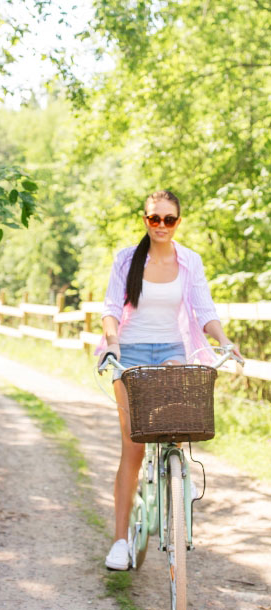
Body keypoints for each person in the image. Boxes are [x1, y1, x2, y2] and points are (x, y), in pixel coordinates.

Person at [96, 190, 242, 571]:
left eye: (169, 219)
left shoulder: (190, 261)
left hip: (172, 348)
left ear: (178, 221)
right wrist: (113, 345)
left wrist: (224, 341)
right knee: (133, 448)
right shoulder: (126, 259)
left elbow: (204, 309)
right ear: (145, 220)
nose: (161, 225)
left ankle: (180, 475)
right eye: (154, 218)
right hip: (130, 352)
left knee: (180, 416)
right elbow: (111, 308)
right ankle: (120, 542)